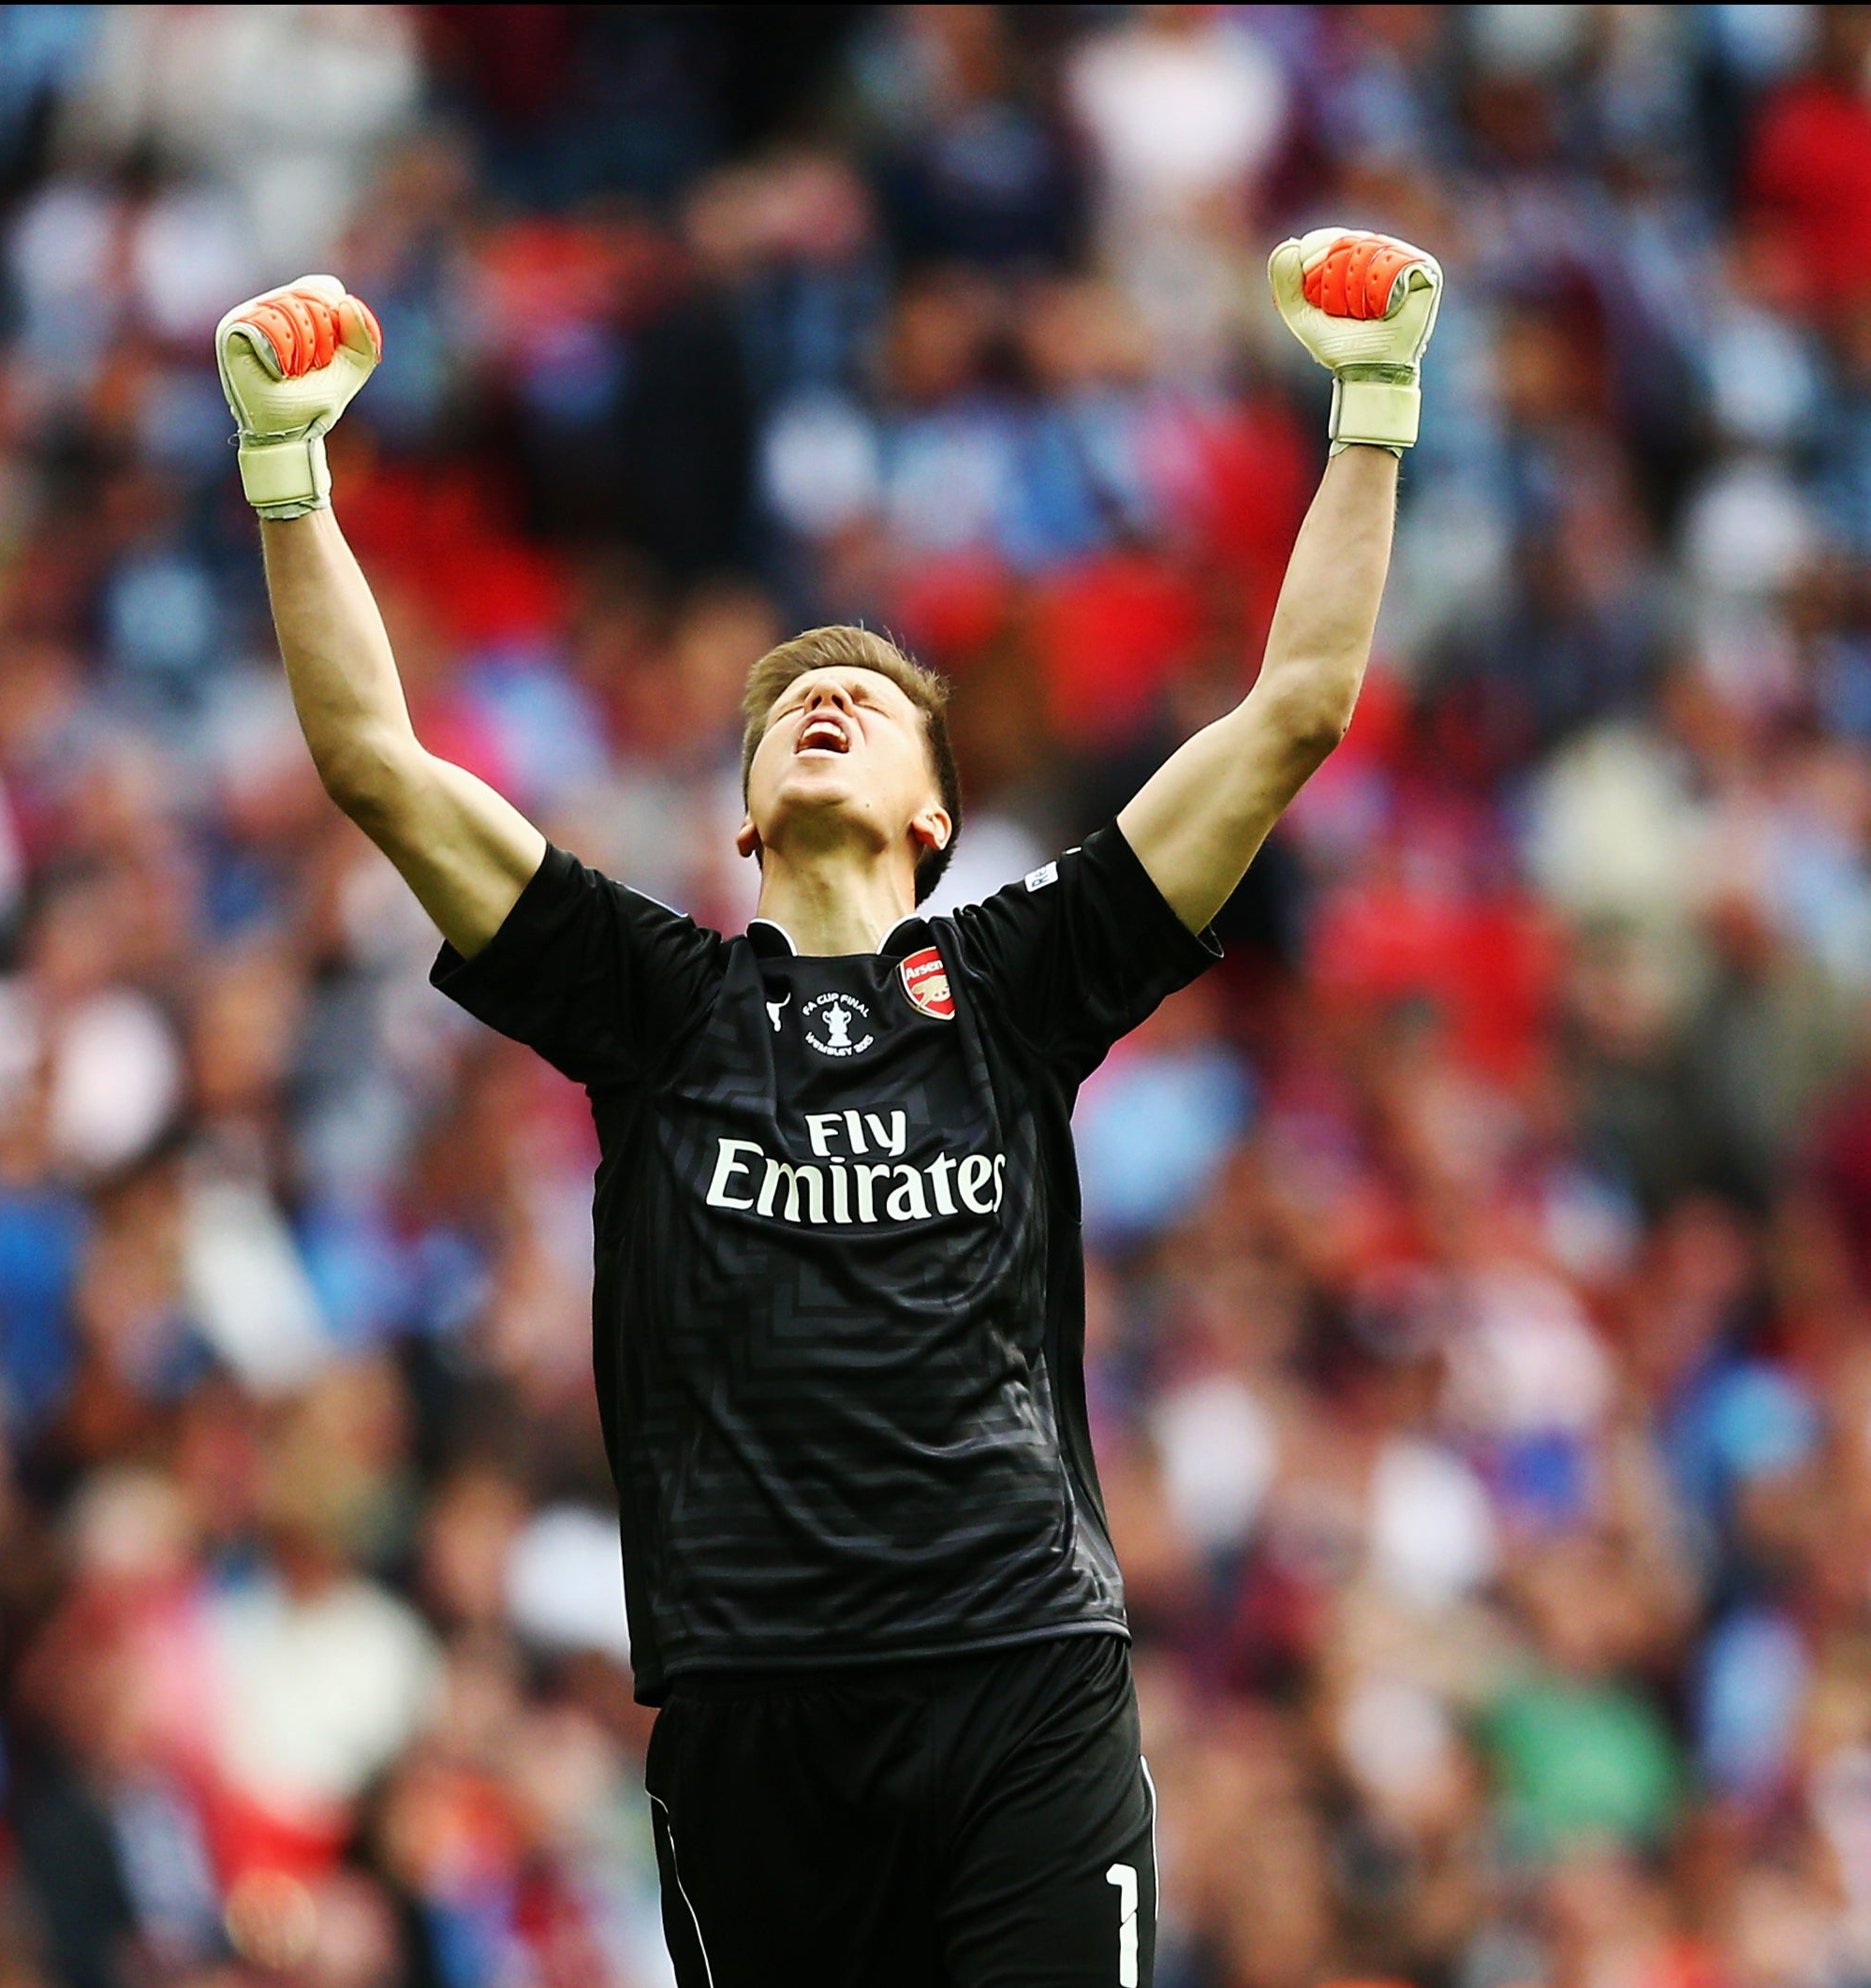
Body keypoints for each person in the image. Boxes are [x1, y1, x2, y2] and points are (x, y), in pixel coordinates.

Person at [215, 226, 1436, 1987]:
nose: (825, 698)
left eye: (864, 700)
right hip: (751, 1704)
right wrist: (291, 476)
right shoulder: (658, 1006)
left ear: (934, 819)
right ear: (739, 817)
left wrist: (1370, 410)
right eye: (790, 701)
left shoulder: (1014, 987)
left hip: (1015, 1669)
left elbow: (1296, 711)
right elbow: (375, 769)